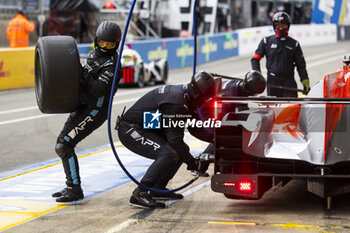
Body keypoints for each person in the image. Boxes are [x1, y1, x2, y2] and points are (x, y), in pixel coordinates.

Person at [116, 71, 215, 209]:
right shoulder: (177, 103)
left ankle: (158, 187)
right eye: (206, 98)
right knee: (169, 153)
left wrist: (216, 138)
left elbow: (194, 128)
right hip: (131, 129)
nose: (206, 102)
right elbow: (175, 140)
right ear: (199, 94)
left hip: (148, 127)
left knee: (181, 150)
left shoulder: (187, 96)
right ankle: (140, 193)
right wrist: (193, 163)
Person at [52, 21, 122, 202]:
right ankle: (71, 186)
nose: (105, 46)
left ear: (116, 44)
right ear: (96, 40)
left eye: (110, 44)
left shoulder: (113, 64)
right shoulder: (94, 53)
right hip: (83, 106)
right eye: (102, 42)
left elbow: (97, 89)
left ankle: (74, 189)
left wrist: (84, 74)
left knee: (64, 145)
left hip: (96, 110)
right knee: (62, 143)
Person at [188, 71, 266, 164]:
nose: (254, 96)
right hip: (202, 119)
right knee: (223, 137)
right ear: (250, 90)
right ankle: (201, 164)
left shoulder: (240, 87)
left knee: (231, 134)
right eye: (254, 93)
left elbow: (242, 112)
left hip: (211, 113)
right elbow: (228, 120)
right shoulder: (231, 95)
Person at [251, 12, 310, 97]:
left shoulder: (294, 44)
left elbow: (301, 66)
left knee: (292, 109)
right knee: (274, 109)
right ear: (274, 26)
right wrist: (257, 75)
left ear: (288, 26)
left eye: (284, 25)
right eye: (278, 25)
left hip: (289, 84)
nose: (281, 28)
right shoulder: (266, 42)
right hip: (272, 84)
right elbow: (255, 59)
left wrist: (305, 80)